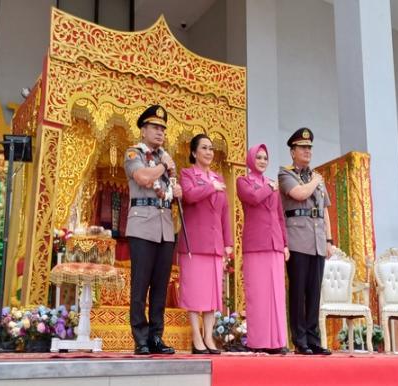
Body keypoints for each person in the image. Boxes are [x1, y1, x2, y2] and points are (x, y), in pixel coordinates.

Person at [124, 104, 182, 355]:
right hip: (141, 225)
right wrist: (164, 166)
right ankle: (140, 337)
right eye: (155, 127)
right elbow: (143, 178)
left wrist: (177, 191)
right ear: (143, 130)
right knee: (141, 285)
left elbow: (172, 190)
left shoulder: (164, 159)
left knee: (160, 286)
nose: (160, 132)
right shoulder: (133, 154)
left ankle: (156, 336)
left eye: (163, 128)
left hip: (164, 228)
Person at [278, 127, 333, 356]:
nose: (307, 151)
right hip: (298, 239)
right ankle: (300, 340)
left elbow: (325, 211)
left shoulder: (316, 177)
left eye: (309, 147)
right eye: (302, 147)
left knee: (314, 293)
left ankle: (314, 339)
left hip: (318, 240)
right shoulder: (286, 174)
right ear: (293, 151)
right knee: (298, 292)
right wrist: (315, 181)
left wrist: (329, 239)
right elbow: (299, 194)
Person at [177, 134, 233, 354]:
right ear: (194, 152)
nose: (209, 152)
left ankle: (209, 337)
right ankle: (196, 337)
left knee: (212, 295)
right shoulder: (187, 174)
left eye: (211, 148)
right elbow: (189, 196)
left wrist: (228, 242)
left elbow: (224, 212)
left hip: (215, 245)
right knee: (194, 293)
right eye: (204, 148)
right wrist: (211, 186)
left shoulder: (218, 178)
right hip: (194, 243)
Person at [236, 144, 290, 354]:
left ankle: (278, 342)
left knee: (276, 294)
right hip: (256, 244)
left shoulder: (271, 184)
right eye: (258, 157)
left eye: (265, 157)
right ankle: (258, 342)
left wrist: (285, 243)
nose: (262, 160)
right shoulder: (244, 181)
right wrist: (271, 188)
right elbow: (253, 197)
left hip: (274, 243)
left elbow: (279, 216)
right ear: (251, 160)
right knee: (258, 294)